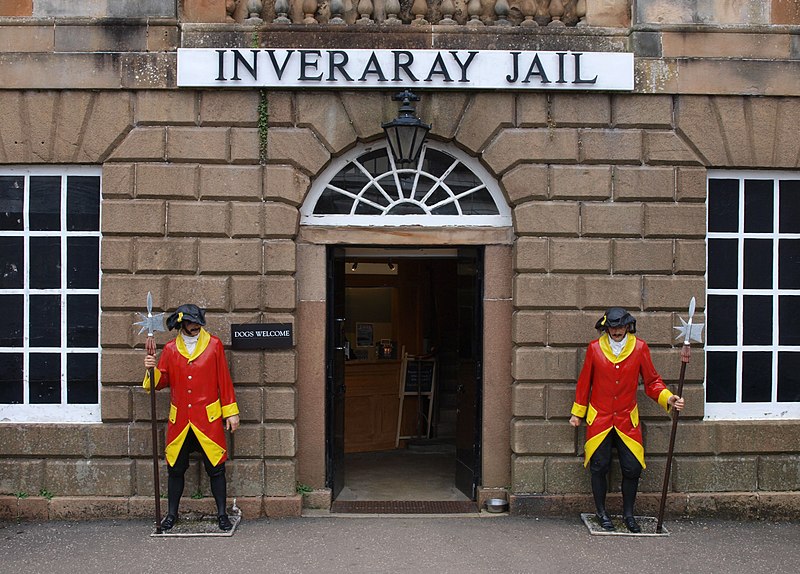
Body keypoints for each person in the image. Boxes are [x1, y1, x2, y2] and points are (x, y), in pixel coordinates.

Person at [569, 307, 685, 533]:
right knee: (599, 466)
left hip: (626, 419)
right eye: (612, 327)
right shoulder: (594, 348)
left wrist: (668, 397)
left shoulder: (640, 348)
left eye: (620, 326)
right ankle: (601, 513)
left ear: (628, 327)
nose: (617, 331)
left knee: (632, 468)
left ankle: (629, 514)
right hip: (599, 417)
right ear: (606, 328)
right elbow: (585, 382)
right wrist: (578, 412)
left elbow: (652, 382)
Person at [143, 304, 240, 531]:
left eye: (197, 321)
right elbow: (161, 382)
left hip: (208, 419)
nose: (195, 325)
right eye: (190, 322)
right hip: (181, 421)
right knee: (175, 469)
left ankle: (222, 515)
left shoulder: (214, 345)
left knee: (216, 468)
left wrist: (231, 412)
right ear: (181, 324)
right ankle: (171, 514)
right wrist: (151, 369)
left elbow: (223, 380)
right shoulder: (170, 349)